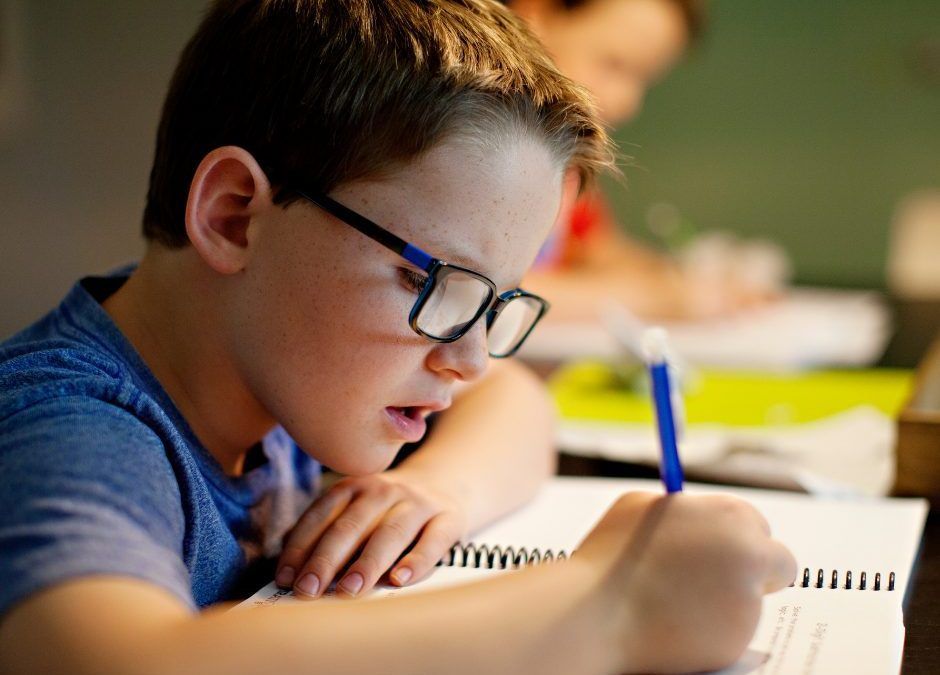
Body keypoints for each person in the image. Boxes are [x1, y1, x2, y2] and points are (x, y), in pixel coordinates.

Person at [0, 1, 795, 673]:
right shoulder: (75, 427)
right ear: (235, 214)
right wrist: (611, 606)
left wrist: (438, 489)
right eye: (433, 283)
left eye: (497, 302)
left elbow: (512, 398)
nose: (472, 355)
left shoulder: (281, 365)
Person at [508, 0, 774, 321]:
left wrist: (687, 278)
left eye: (644, 79)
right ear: (536, 14)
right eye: (614, 64)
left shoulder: (563, 166)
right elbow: (478, 291)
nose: (627, 104)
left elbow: (599, 250)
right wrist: (648, 299)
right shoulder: (474, 142)